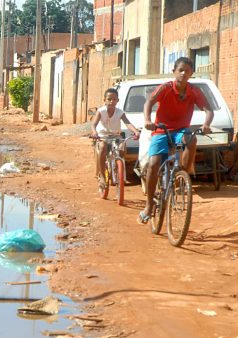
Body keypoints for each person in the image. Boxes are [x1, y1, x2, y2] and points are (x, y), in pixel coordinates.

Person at [138, 56, 213, 224]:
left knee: (191, 140)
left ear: (192, 73)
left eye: (187, 70)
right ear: (174, 72)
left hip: (181, 130)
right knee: (154, 163)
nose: (184, 73)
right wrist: (147, 120)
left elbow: (208, 110)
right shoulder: (165, 88)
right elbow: (149, 102)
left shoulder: (194, 91)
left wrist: (206, 124)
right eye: (181, 70)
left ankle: (183, 174)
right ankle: (149, 205)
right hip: (161, 129)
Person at [89, 87, 140, 191]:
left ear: (118, 100)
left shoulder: (119, 112)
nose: (111, 101)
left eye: (114, 99)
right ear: (104, 100)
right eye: (109, 99)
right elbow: (94, 124)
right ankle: (102, 176)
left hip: (116, 136)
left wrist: (135, 131)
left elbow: (127, 122)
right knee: (103, 147)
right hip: (103, 136)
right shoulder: (101, 111)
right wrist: (94, 132)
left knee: (122, 147)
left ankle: (119, 169)